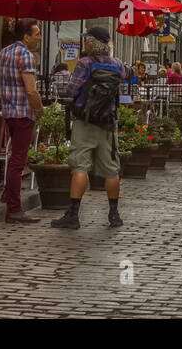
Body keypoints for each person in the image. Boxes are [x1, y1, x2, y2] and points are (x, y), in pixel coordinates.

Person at [53, 25, 131, 230]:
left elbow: (72, 90)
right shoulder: (117, 64)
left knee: (80, 167)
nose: (84, 43)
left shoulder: (85, 63)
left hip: (85, 122)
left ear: (91, 42)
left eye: (86, 40)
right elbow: (128, 74)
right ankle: (114, 215)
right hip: (108, 125)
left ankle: (73, 214)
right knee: (112, 171)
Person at [0, 19, 43, 223]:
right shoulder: (26, 55)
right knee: (18, 160)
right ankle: (14, 209)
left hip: (8, 110)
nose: (40, 38)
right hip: (23, 112)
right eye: (37, 34)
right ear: (26, 36)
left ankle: (8, 193)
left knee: (13, 157)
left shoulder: (4, 51)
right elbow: (31, 90)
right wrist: (39, 109)